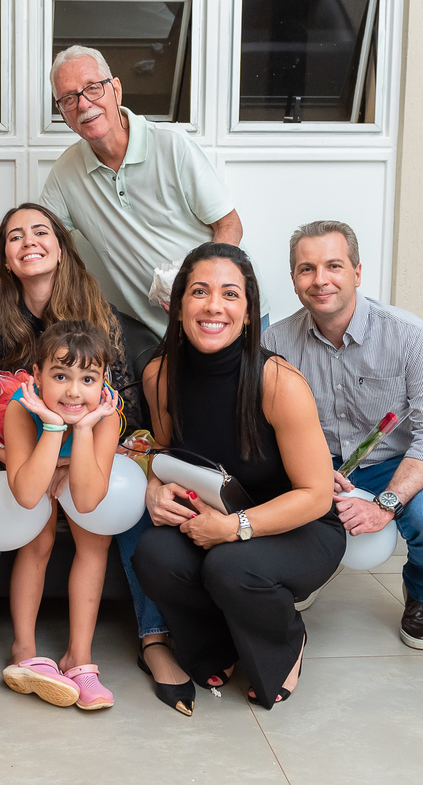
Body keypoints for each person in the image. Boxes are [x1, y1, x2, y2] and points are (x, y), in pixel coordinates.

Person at [0, 203, 168, 747]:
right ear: (5, 258)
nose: (29, 242)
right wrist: (23, 463)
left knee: (124, 503)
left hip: (82, 442)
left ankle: (154, 638)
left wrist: (68, 458)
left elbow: (123, 403)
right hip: (1, 447)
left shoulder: (95, 308)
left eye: (40, 232)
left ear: (61, 246)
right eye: (15, 236)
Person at [132, 242, 344, 710]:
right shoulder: (159, 375)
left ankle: (285, 642)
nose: (214, 306)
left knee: (231, 566)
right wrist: (155, 488)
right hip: (215, 516)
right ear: (178, 306)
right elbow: (166, 452)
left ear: (249, 314)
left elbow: (316, 495)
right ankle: (217, 644)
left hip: (300, 526)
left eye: (230, 294)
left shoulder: (279, 382)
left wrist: (234, 528)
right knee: (153, 554)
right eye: (199, 292)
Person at [262, 220, 423, 649]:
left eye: (334, 266)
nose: (320, 280)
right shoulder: (274, 342)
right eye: (307, 269)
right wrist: (309, 473)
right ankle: (307, 571)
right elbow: (263, 429)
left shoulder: (410, 336)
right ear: (294, 279)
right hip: (318, 464)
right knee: (269, 504)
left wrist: (386, 504)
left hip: (395, 463)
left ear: (357, 273)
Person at [0, 46, 243, 335]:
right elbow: (30, 243)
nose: (84, 104)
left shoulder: (173, 145)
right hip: (158, 333)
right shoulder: (65, 173)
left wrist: (200, 291)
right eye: (69, 98)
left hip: (225, 316)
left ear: (116, 89)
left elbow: (230, 225)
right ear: (62, 113)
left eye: (93, 88)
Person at [0, 322, 122, 711]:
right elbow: (25, 495)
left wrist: (83, 430)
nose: (73, 391)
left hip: (82, 467)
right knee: (39, 536)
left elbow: (87, 502)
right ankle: (23, 648)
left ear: (103, 383)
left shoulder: (106, 415)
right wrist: (53, 427)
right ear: (37, 376)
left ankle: (78, 657)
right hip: (30, 466)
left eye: (88, 379)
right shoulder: (21, 407)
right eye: (60, 376)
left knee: (95, 538)